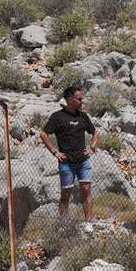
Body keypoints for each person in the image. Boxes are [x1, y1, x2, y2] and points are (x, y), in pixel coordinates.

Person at [40, 86, 98, 232]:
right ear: (70, 100)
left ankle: (89, 223)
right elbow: (43, 134)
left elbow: (95, 133)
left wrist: (92, 147)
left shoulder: (83, 117)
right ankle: (64, 224)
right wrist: (54, 152)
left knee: (86, 190)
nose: (81, 101)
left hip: (83, 161)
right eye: (79, 99)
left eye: (81, 99)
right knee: (66, 193)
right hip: (66, 163)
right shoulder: (57, 117)